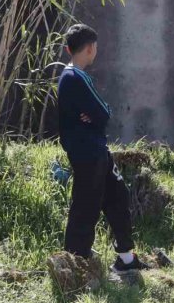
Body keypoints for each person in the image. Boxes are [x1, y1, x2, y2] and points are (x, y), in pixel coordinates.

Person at [57, 24, 148, 273]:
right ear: (89, 49)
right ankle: (76, 265)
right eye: (94, 47)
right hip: (88, 153)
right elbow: (103, 112)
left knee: (118, 197)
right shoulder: (77, 77)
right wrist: (96, 114)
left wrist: (94, 115)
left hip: (97, 152)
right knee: (85, 207)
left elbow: (95, 113)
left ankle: (126, 259)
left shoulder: (69, 77)